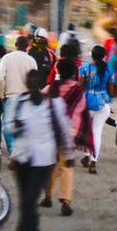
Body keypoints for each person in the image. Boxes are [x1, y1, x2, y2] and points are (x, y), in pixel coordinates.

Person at [7, 70, 72, 231]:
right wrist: (16, 126)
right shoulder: (18, 103)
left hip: (43, 161)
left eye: (37, 83)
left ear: (41, 84)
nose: (34, 86)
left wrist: (68, 156)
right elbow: (9, 127)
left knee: (28, 202)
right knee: (27, 202)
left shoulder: (54, 104)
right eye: (31, 83)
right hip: (22, 159)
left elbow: (64, 131)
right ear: (27, 84)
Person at [41, 54, 91, 216]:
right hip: (70, 134)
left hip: (51, 132)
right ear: (74, 73)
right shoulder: (78, 91)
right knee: (67, 166)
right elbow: (82, 112)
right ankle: (65, 200)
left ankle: (47, 196)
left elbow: (40, 102)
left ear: (58, 71)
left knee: (49, 165)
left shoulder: (52, 87)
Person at [0, 36, 38, 154]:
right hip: (27, 97)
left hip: (10, 96)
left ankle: (13, 152)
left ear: (15, 44)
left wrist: (1, 94)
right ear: (27, 46)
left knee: (8, 126)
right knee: (24, 126)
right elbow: (35, 80)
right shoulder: (31, 60)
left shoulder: (7, 58)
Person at [78, 45, 115, 174]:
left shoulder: (84, 68)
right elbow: (111, 91)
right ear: (104, 56)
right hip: (103, 104)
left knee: (86, 131)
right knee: (97, 132)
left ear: (91, 55)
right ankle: (93, 162)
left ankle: (86, 156)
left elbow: (80, 86)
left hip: (87, 103)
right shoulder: (109, 70)